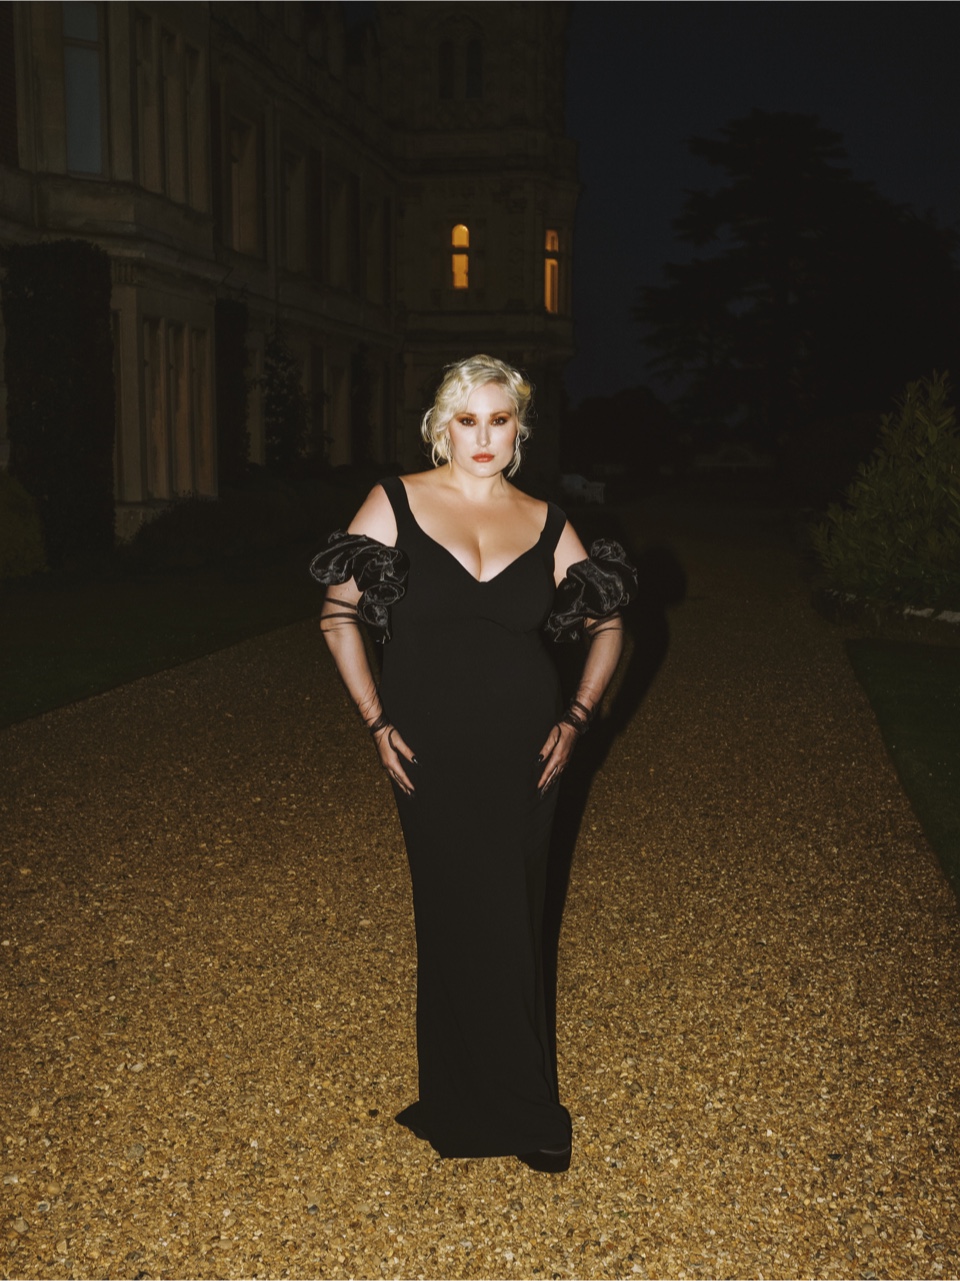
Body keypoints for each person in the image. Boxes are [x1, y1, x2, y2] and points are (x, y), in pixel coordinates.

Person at [310, 354, 635, 1172]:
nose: (483, 436)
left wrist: (578, 716)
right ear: (440, 426)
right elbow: (337, 614)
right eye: (467, 419)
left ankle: (508, 1102)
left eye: (499, 419)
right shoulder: (395, 503)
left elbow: (609, 624)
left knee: (515, 915)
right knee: (455, 911)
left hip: (527, 751)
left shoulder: (548, 520)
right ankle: (490, 1101)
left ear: (520, 428)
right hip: (430, 749)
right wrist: (376, 721)